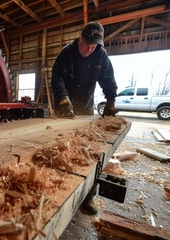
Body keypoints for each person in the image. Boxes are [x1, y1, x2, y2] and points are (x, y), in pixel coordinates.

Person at [51, 21, 118, 215]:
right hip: (65, 108)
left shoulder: (101, 54)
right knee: (59, 148)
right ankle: (60, 189)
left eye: (94, 45)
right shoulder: (67, 52)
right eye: (86, 44)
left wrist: (111, 98)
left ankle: (88, 195)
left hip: (86, 107)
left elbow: (108, 78)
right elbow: (57, 78)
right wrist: (63, 98)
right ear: (79, 37)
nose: (89, 49)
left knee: (90, 151)